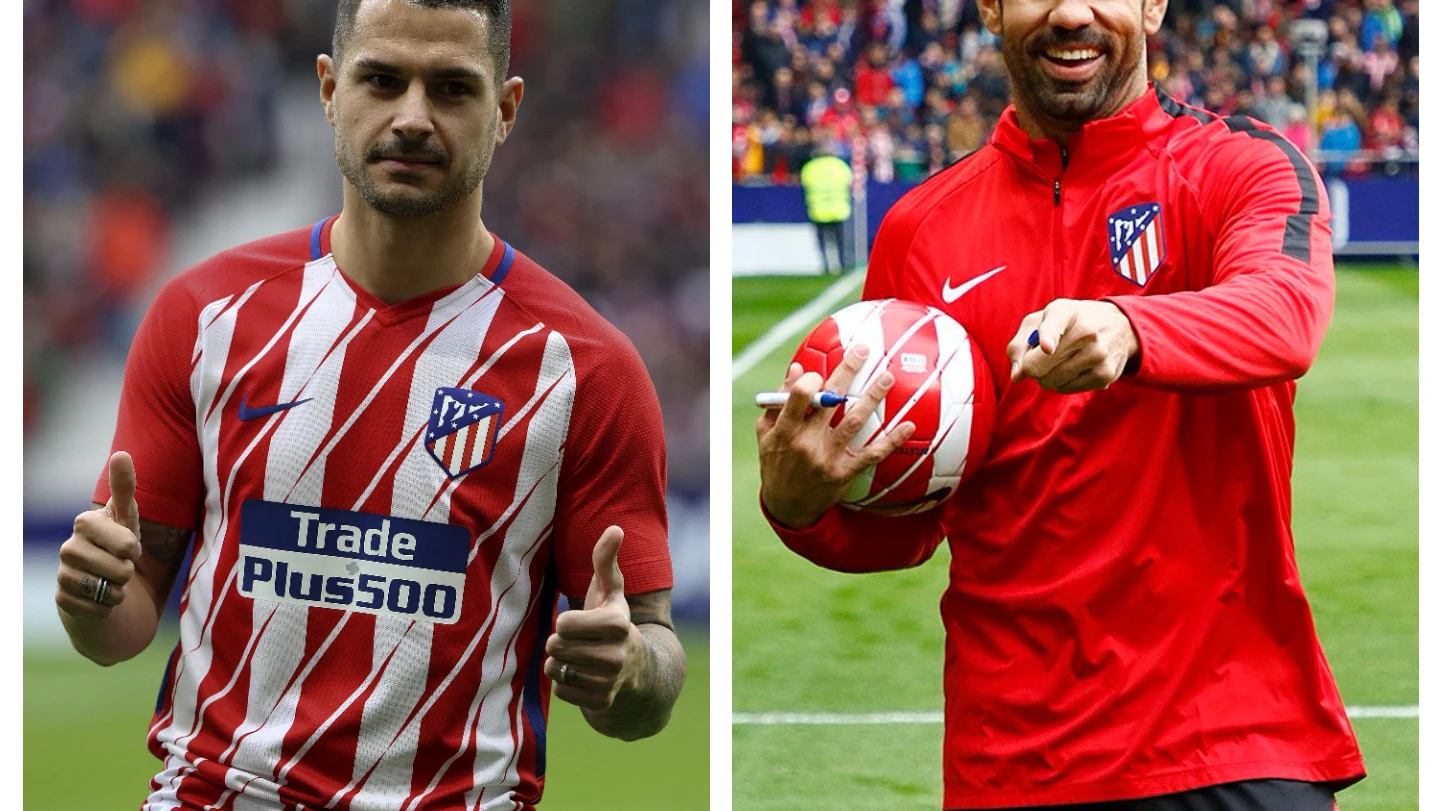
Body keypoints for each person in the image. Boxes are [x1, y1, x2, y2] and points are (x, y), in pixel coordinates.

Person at [53, 1, 686, 808]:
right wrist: (92, 598)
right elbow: (123, 622)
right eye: (382, 80)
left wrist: (632, 666)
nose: (413, 118)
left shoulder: (587, 368)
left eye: (452, 89)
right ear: (328, 88)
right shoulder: (204, 315)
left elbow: (655, 665)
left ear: (506, 110)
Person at [755, 0, 1364, 808]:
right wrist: (803, 504)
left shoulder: (1242, 165)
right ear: (991, 9)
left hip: (1232, 739)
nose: (1072, 12)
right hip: (1014, 762)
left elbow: (1285, 313)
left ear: (1152, 7)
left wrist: (1129, 325)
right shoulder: (919, 231)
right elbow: (903, 521)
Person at [799, 141, 853, 273]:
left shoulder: (809, 167)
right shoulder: (840, 166)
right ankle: (842, 264)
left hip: (819, 209)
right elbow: (849, 182)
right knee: (840, 240)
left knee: (823, 241)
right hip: (838, 209)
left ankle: (826, 265)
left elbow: (805, 184)